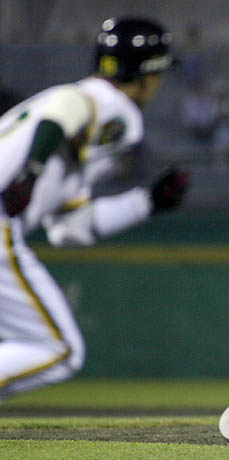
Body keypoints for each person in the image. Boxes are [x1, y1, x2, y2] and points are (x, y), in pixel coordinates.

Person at [0, 17, 188, 400]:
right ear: (146, 75)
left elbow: (68, 230)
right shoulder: (111, 104)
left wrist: (145, 203)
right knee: (58, 349)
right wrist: (31, 171)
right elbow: (67, 107)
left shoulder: (69, 120)